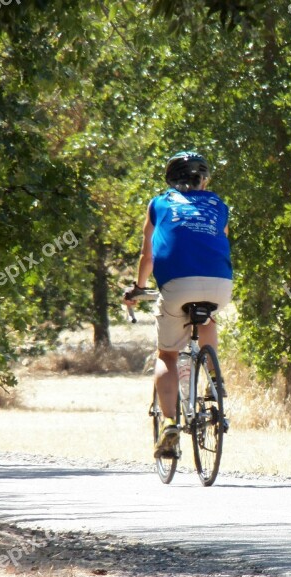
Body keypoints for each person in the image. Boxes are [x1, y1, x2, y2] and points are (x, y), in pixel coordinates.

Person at [123, 151, 233, 458]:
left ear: (170, 180)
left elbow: (148, 255)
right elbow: (217, 242)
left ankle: (170, 422)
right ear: (203, 180)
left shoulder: (158, 204)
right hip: (220, 283)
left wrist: (138, 288)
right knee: (207, 317)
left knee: (168, 355)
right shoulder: (218, 205)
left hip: (177, 284)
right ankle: (213, 378)